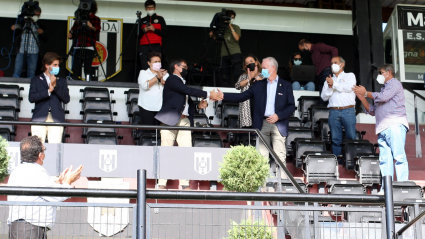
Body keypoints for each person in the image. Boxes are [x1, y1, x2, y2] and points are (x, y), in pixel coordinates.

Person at [154, 59, 222, 189]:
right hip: (169, 119)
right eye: (184, 66)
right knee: (166, 151)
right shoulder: (172, 80)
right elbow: (188, 90)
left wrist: (198, 107)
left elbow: (186, 106)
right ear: (176, 67)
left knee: (186, 152)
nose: (186, 69)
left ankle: (184, 184)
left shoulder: (181, 83)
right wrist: (209, 94)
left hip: (184, 120)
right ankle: (161, 184)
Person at [219, 57, 295, 172]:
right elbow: (241, 96)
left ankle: (282, 186)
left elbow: (291, 107)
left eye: (264, 68)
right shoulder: (259, 84)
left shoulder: (286, 85)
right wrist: (223, 95)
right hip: (262, 124)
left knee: (280, 156)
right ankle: (263, 188)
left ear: (272, 68)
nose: (261, 70)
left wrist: (278, 116)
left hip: (279, 124)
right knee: (261, 157)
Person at [8, 136, 84, 239]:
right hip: (30, 229)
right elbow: (55, 196)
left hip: (20, 228)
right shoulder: (37, 171)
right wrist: (68, 181)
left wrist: (57, 183)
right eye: (44, 150)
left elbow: (39, 192)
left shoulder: (17, 170)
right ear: (40, 155)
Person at [353, 64, 409, 190]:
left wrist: (366, 92)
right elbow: (372, 111)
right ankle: (386, 190)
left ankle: (403, 188)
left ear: (389, 73)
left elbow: (383, 97)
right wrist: (362, 97)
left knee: (399, 157)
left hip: (394, 124)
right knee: (385, 162)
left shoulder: (395, 83)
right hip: (383, 128)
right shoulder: (383, 90)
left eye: (381, 72)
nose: (379, 75)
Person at [29, 52, 70, 143]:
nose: (57, 67)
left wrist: (55, 86)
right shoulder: (35, 80)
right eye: (55, 65)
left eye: (58, 65)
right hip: (39, 117)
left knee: (55, 148)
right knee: (37, 148)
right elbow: (32, 98)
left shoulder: (62, 81)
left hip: (56, 118)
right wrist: (48, 91)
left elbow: (66, 99)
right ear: (47, 65)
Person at [321, 56, 357, 158]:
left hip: (348, 110)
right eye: (332, 63)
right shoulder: (328, 80)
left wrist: (334, 84)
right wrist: (330, 87)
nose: (333, 65)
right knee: (335, 139)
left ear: (342, 64)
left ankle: (352, 162)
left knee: (351, 137)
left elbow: (349, 88)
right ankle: (338, 162)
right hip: (334, 111)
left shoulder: (350, 76)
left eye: (335, 62)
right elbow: (323, 97)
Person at [67, 0, 101, 80]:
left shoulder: (95, 19)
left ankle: (88, 82)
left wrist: (91, 26)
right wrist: (71, 34)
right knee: (75, 67)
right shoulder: (79, 19)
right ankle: (74, 82)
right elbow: (73, 31)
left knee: (87, 68)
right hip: (78, 46)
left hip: (89, 47)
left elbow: (97, 30)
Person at [12, 7, 48, 78]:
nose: (36, 17)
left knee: (31, 71)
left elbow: (46, 39)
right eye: (35, 15)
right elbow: (14, 33)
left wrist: (42, 33)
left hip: (34, 51)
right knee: (17, 70)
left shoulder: (39, 25)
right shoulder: (22, 23)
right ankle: (14, 85)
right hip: (21, 50)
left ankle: (31, 87)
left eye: (38, 15)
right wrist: (13, 28)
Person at [299, 39, 338, 104]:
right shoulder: (312, 53)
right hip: (321, 75)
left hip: (327, 72)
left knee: (328, 95)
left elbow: (334, 49)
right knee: (322, 97)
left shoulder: (318, 46)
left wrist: (334, 64)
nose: (303, 51)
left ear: (306, 45)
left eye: (303, 49)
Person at [138, 51, 169, 133]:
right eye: (155, 62)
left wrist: (162, 78)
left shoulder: (165, 74)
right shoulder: (143, 73)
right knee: (148, 132)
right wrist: (157, 77)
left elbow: (169, 88)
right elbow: (145, 86)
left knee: (160, 133)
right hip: (146, 107)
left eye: (159, 61)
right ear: (149, 63)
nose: (158, 63)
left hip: (161, 107)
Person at [138, 0, 168, 71]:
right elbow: (137, 36)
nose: (150, 9)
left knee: (156, 65)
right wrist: (144, 31)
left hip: (156, 45)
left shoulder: (160, 19)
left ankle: (156, 80)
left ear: (155, 8)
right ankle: (146, 81)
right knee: (145, 65)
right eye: (148, 8)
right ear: (145, 9)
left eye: (151, 8)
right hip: (143, 45)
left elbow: (165, 33)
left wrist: (154, 29)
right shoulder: (142, 20)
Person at [235, 54, 262, 128]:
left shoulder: (262, 74)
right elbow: (237, 86)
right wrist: (248, 79)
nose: (249, 64)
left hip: (258, 104)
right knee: (247, 128)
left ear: (256, 62)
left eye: (251, 61)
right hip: (246, 105)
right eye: (247, 63)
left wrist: (256, 77)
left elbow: (267, 80)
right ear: (245, 66)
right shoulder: (243, 76)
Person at [220, 10, 242, 87]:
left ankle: (239, 91)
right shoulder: (222, 28)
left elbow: (236, 38)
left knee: (237, 74)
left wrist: (230, 27)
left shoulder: (236, 27)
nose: (232, 19)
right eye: (230, 17)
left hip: (235, 53)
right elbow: (219, 40)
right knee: (225, 75)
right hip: (224, 54)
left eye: (233, 17)